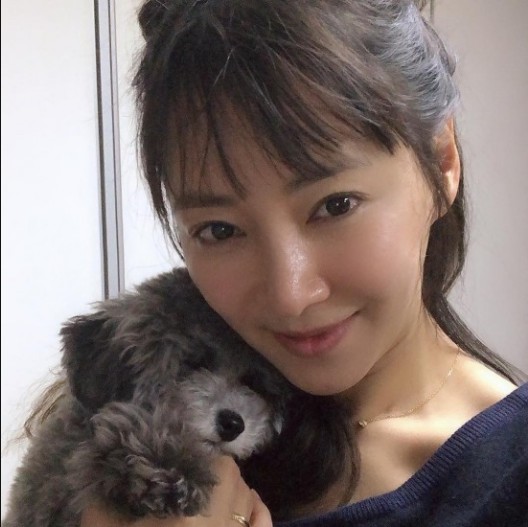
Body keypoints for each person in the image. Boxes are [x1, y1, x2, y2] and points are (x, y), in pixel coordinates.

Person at [29, 0, 528, 526]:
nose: (290, 295)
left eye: (336, 205)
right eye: (220, 230)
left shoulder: (508, 477)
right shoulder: (132, 418)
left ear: (443, 162)